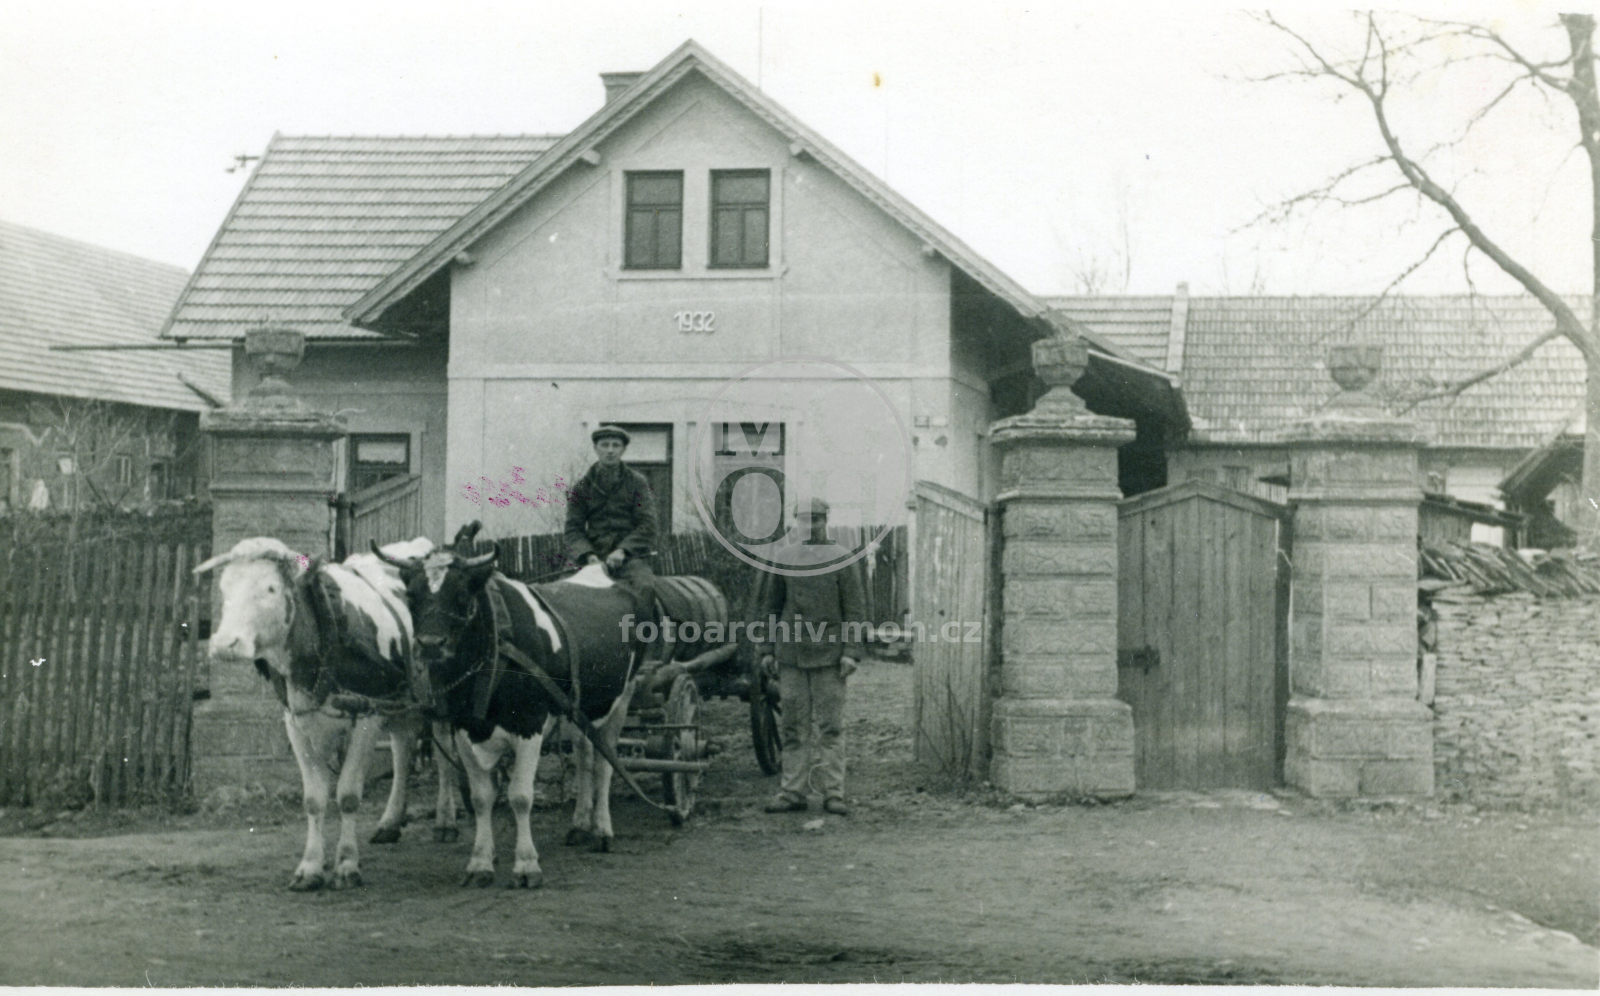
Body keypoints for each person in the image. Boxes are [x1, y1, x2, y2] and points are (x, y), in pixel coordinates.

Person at [754, 498, 868, 816]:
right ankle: (793, 792)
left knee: (831, 727)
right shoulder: (784, 557)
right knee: (793, 727)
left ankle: (834, 793)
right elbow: (771, 607)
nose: (810, 526)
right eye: (803, 520)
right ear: (796, 523)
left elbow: (855, 610)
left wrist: (851, 652)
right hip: (791, 655)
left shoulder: (842, 558)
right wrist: (767, 648)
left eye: (815, 520)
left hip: (829, 656)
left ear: (825, 521)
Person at [563, 425, 658, 612]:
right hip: (592, 556)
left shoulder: (637, 483)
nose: (610, 450)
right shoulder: (582, 487)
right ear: (595, 448)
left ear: (623, 450)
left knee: (645, 588)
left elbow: (647, 525)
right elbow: (573, 529)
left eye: (616, 445)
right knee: (562, 589)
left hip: (629, 559)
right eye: (605, 445)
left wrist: (623, 550)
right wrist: (588, 555)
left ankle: (643, 630)